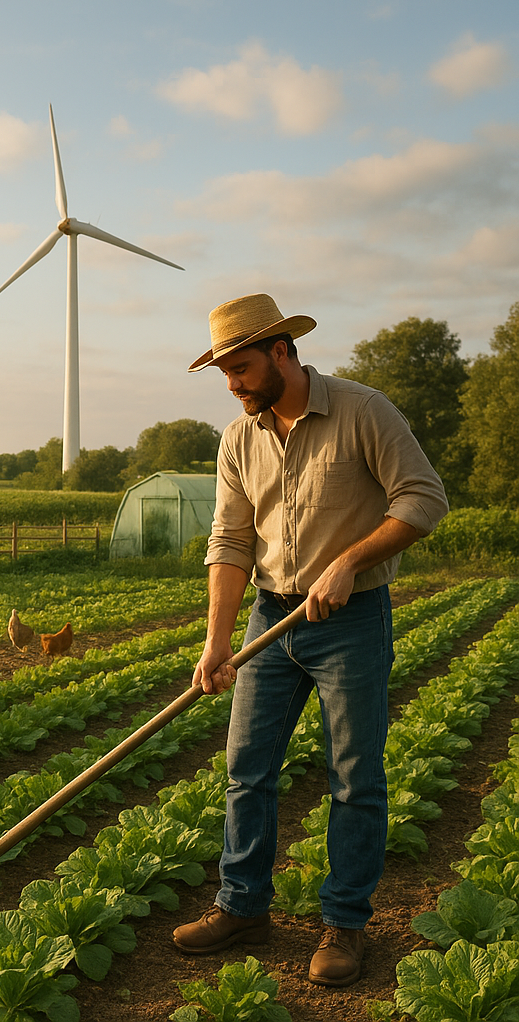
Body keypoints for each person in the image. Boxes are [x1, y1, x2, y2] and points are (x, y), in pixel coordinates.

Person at [171, 293, 448, 987]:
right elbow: (231, 540)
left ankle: (345, 924)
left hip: (350, 621)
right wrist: (216, 641)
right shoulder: (238, 438)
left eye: (240, 369)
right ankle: (242, 907)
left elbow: (423, 499)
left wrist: (350, 559)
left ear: (282, 352)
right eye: (223, 373)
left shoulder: (362, 411)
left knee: (354, 777)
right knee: (247, 770)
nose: (232, 385)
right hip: (271, 618)